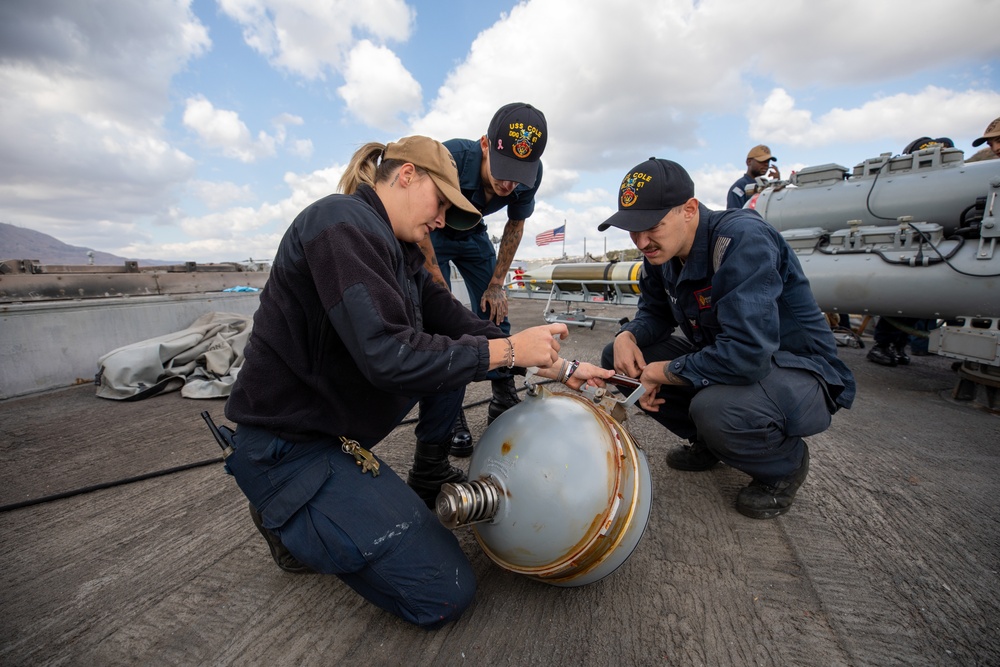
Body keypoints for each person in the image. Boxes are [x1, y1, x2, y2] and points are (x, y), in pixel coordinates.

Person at [222, 135, 612, 628]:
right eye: (442, 203)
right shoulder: (338, 223)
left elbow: (452, 320)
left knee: (449, 361)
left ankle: (345, 499)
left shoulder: (399, 251)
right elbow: (388, 356)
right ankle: (282, 513)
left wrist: (559, 366)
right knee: (442, 593)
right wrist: (508, 350)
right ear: (407, 175)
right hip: (286, 449)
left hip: (336, 440)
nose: (443, 222)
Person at [599, 157, 855, 519]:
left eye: (652, 226)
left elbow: (747, 353)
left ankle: (783, 466)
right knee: (618, 359)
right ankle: (712, 442)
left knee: (716, 409)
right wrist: (628, 335)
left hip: (797, 373)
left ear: (689, 210)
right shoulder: (661, 255)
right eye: (632, 229)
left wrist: (662, 372)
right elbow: (654, 314)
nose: (641, 241)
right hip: (731, 364)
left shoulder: (741, 240)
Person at [416, 102, 548, 457]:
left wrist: (496, 283)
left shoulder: (527, 178)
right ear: (485, 145)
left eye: (518, 175)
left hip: (473, 231)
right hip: (434, 230)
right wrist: (438, 295)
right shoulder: (452, 158)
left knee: (494, 310)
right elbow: (421, 225)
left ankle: (503, 390)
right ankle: (449, 410)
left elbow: (515, 224)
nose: (508, 183)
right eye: (503, 170)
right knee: (437, 319)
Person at [726, 144, 780, 209]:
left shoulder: (766, 185)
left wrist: (777, 184)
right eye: (762, 161)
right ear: (749, 162)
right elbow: (734, 216)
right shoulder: (739, 187)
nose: (766, 164)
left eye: (767, 161)